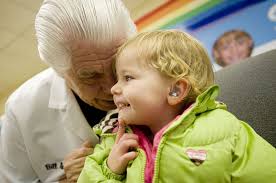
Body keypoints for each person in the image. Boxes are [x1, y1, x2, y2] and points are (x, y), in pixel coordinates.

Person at [78, 30, 276, 183]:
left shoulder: (224, 128)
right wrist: (110, 171)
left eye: (127, 78)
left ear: (175, 91)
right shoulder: (113, 142)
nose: (113, 88)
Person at [0, 0, 136, 182]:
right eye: (91, 76)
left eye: (117, 65)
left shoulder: (165, 75)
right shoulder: (22, 109)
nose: (113, 87)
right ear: (60, 72)